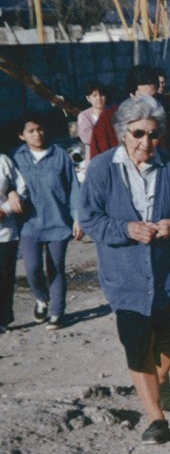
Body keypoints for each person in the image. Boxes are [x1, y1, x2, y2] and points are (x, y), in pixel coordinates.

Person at [80, 96, 170, 444]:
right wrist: (127, 229)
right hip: (126, 278)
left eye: (153, 134)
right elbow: (90, 218)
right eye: (138, 134)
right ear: (123, 133)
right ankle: (156, 418)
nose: (146, 142)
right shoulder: (102, 169)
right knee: (136, 345)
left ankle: (160, 378)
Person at [15, 113, 83, 330]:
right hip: (29, 224)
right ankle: (41, 299)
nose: (37, 134)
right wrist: (10, 196)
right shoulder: (16, 158)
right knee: (32, 268)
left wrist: (77, 218)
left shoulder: (60, 155)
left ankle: (57, 312)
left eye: (40, 129)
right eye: (31, 131)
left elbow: (74, 188)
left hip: (58, 222)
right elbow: (7, 184)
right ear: (22, 136)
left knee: (56, 268)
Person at [90, 65, 170, 159]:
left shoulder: (168, 114)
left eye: (154, 96)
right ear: (131, 95)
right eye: (144, 98)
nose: (151, 103)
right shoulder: (109, 119)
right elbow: (99, 161)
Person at [0, 154, 26, 334]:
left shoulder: (3, 161)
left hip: (4, 232)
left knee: (4, 276)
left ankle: (2, 319)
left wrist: (5, 209)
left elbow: (21, 186)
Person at [77, 81, 107, 166]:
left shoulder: (112, 114)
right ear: (88, 98)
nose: (99, 98)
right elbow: (87, 138)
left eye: (102, 94)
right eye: (94, 95)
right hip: (93, 161)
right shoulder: (84, 116)